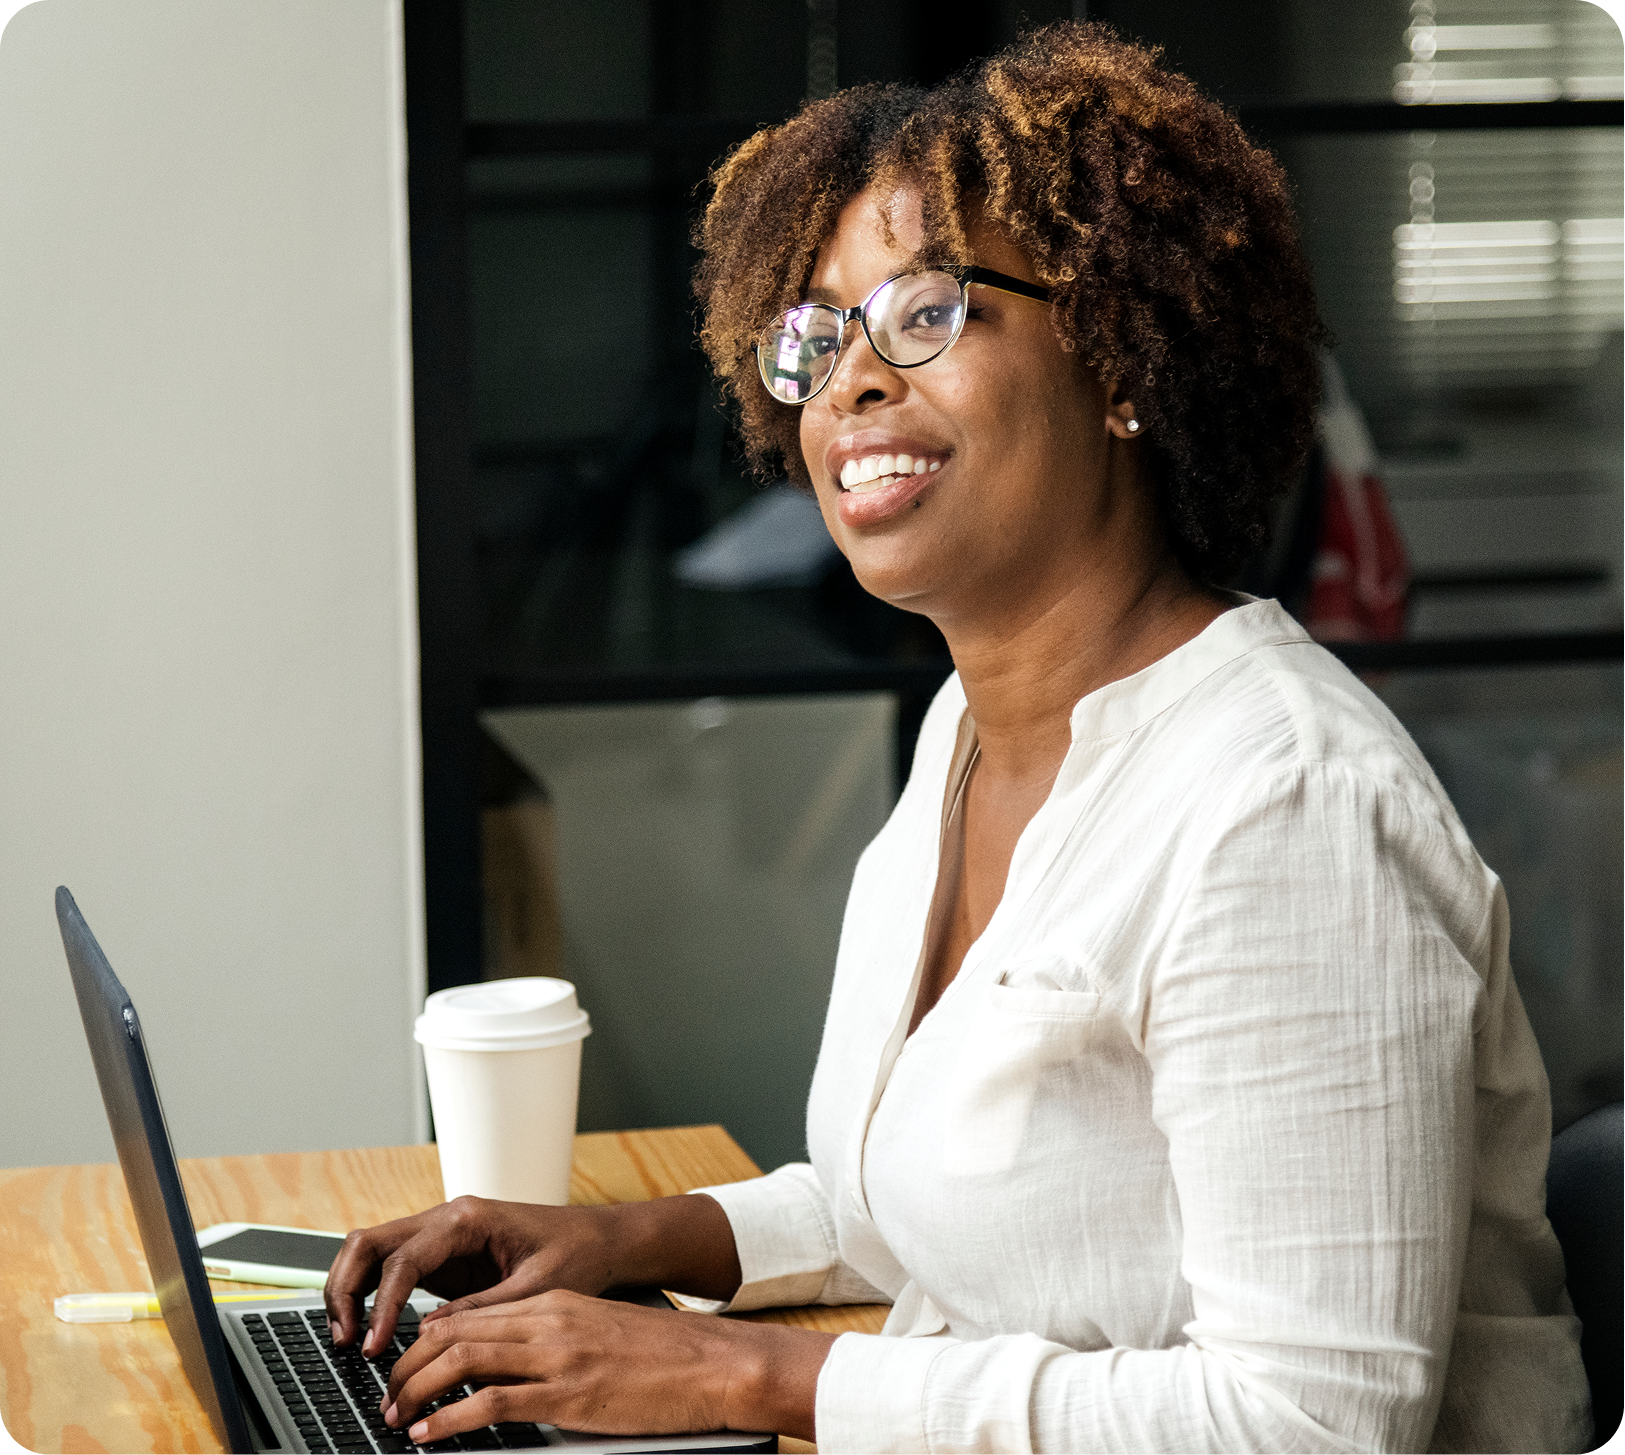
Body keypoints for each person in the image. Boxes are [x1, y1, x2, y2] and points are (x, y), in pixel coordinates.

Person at [326, 23, 1591, 1454]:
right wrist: (621, 1240)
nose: (851, 382)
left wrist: (748, 1378)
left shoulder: (1284, 808)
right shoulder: (969, 734)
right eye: (818, 334)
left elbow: (1309, 1422)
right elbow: (930, 1204)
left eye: (926, 309)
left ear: (1118, 354)